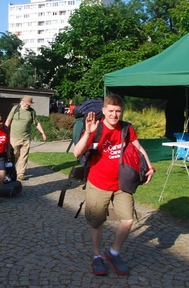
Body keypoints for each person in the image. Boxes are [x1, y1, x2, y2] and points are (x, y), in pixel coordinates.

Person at [73, 94, 155, 276]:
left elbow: (139, 148)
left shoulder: (126, 128)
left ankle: (113, 252)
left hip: (121, 184)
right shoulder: (95, 128)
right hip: (98, 184)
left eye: (118, 111)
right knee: (97, 223)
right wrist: (87, 132)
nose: (114, 114)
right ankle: (97, 257)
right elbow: (76, 153)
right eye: (111, 111)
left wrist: (149, 166)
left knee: (127, 220)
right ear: (104, 111)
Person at [5, 95, 46, 181]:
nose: (28, 105)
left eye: (29, 104)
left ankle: (21, 174)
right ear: (22, 102)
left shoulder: (32, 112)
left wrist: (42, 133)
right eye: (26, 104)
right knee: (13, 155)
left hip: (26, 138)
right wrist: (4, 132)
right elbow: (8, 120)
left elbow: (36, 123)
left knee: (24, 156)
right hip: (14, 137)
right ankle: (10, 171)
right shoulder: (15, 109)